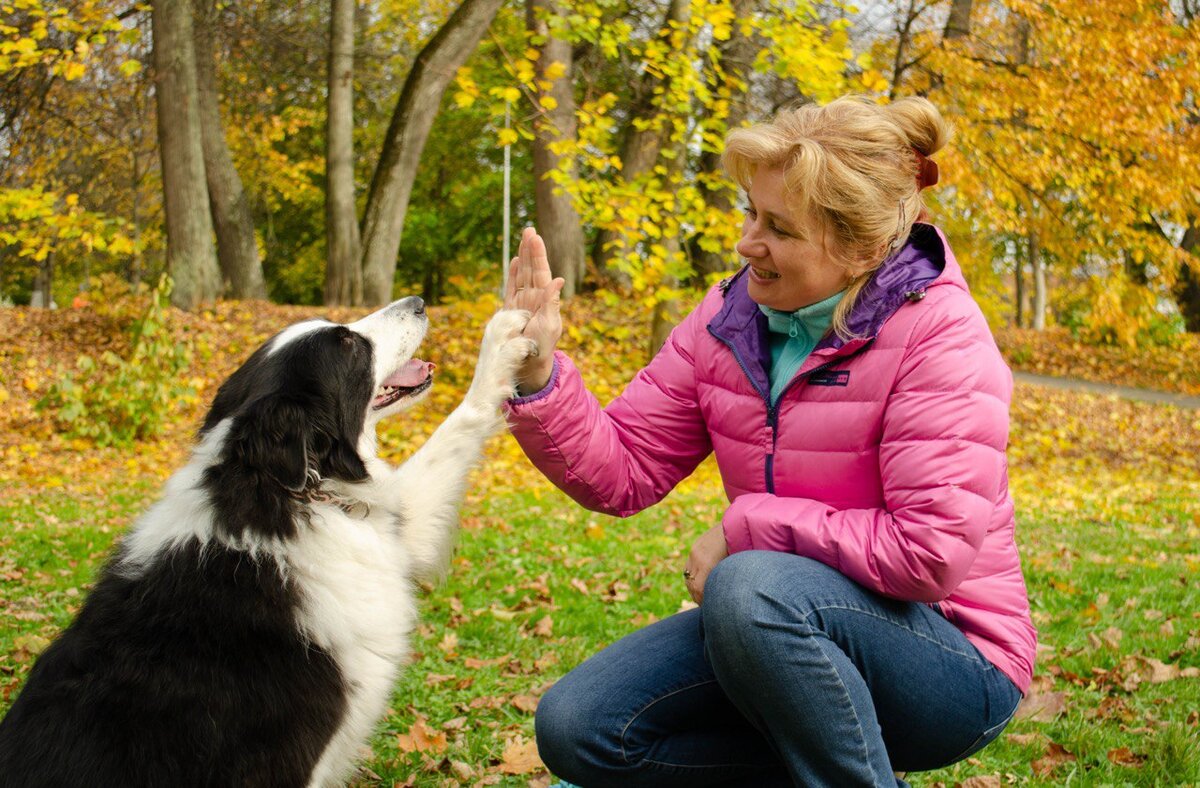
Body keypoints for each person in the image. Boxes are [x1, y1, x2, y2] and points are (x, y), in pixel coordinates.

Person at [502, 95, 1035, 787]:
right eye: (750, 213)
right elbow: (623, 471)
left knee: (751, 583)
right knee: (583, 727)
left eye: (778, 227)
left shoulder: (940, 337)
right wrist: (540, 374)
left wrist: (748, 526)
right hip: (775, 625)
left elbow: (929, 555)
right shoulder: (729, 321)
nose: (747, 242)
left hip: (951, 657)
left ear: (859, 247)